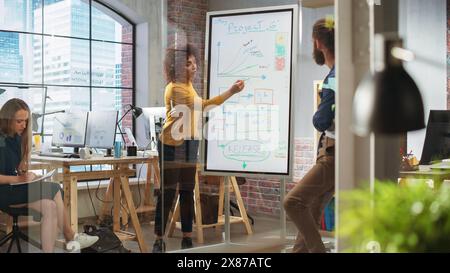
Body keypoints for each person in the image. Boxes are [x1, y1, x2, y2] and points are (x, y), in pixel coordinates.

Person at [152, 43, 245, 252]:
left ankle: (187, 237)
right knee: (168, 194)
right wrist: (231, 91)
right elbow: (204, 106)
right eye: (188, 64)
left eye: (194, 63)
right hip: (171, 145)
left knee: (187, 191)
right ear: (176, 67)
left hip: (189, 142)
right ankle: (159, 239)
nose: (194, 67)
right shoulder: (176, 87)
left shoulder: (188, 85)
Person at [0, 98, 99, 253]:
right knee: (53, 187)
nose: (24, 125)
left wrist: (24, 174)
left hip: (15, 189)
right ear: (7, 120)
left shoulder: (16, 139)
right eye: (19, 121)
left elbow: (12, 169)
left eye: (25, 121)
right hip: (4, 192)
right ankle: (70, 236)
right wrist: (19, 178)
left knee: (51, 206)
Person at [283, 18, 335, 253]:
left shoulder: (334, 77)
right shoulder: (346, 72)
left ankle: (318, 251)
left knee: (292, 202)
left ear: (317, 43)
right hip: (334, 151)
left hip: (333, 154)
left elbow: (321, 121)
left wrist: (317, 114)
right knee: (311, 214)